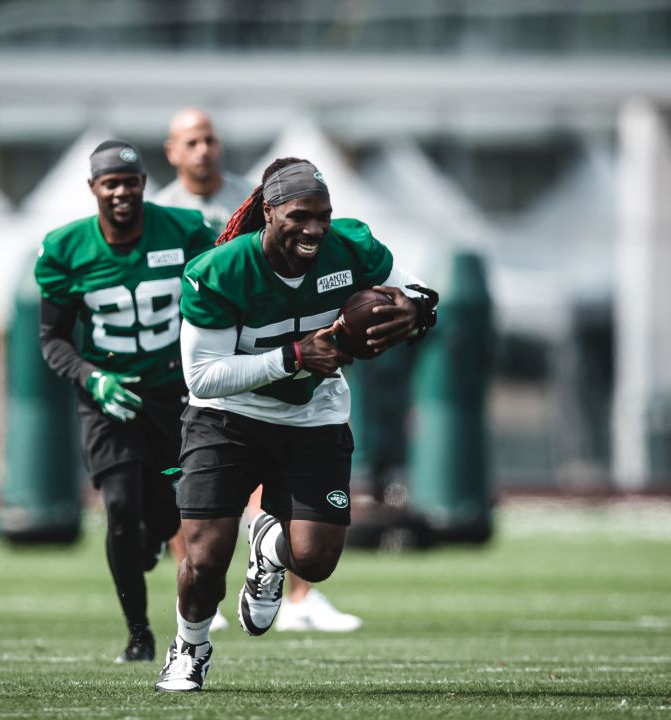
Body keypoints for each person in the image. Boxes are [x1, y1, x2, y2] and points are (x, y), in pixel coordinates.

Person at [154, 157, 439, 692]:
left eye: (323, 216)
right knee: (205, 555)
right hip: (228, 419)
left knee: (318, 558)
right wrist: (292, 357)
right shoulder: (218, 270)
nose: (314, 228)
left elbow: (417, 290)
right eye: (301, 216)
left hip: (314, 414)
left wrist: (417, 311)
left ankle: (267, 549)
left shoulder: (350, 246)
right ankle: (189, 649)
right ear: (269, 212)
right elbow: (201, 377)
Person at [152, 107, 363, 634]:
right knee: (198, 500)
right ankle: (203, 602)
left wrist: (409, 307)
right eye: (192, 141)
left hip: (287, 366)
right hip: (200, 353)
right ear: (172, 151)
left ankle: (297, 592)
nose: (204, 149)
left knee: (301, 513)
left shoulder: (258, 200)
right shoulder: (160, 213)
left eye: (210, 139)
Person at [35, 140, 216, 664]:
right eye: (110, 183)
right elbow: (53, 339)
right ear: (93, 188)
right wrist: (92, 379)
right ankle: (139, 634)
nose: (121, 191)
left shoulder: (184, 231)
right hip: (108, 396)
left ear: (143, 185)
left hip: (170, 392)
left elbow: (216, 299)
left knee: (163, 515)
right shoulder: (66, 248)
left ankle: (154, 535)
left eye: (130, 181)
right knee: (119, 505)